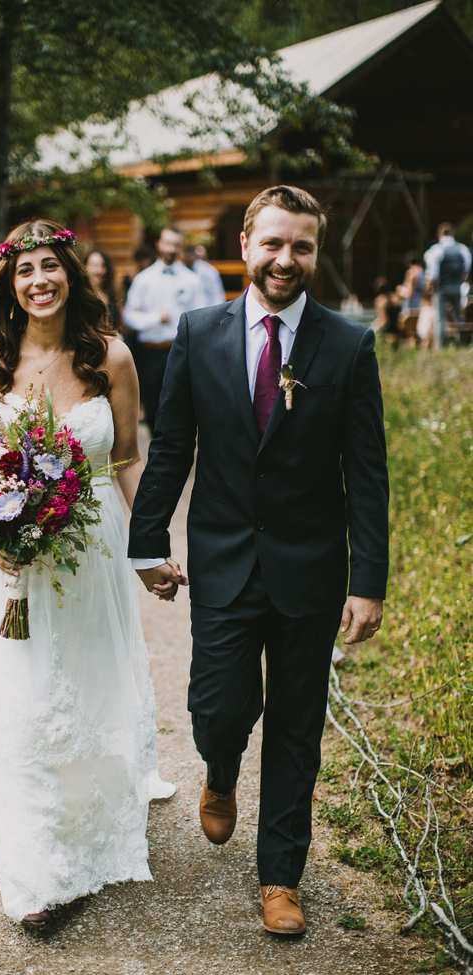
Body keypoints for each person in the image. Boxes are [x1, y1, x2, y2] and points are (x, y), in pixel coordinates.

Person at [129, 186, 389, 936]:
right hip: (224, 557)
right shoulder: (199, 332)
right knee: (217, 708)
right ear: (245, 245)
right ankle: (219, 770)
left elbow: (366, 473)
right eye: (273, 243)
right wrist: (148, 542)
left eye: (301, 246)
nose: (285, 259)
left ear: (316, 252)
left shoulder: (349, 345)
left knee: (297, 727)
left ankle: (280, 875)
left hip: (312, 567)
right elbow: (171, 446)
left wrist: (368, 581)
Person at [0, 218, 175, 927]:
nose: (39, 281)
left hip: (91, 549)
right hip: (14, 557)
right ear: (10, 284)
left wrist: (148, 547)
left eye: (49, 266)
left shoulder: (110, 356)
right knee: (24, 691)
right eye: (24, 270)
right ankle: (36, 873)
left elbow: (127, 460)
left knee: (85, 680)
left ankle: (85, 818)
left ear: (70, 273)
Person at [123, 226, 205, 434]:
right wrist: (155, 318)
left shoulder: (192, 280)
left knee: (181, 404)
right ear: (159, 244)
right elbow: (129, 316)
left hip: (180, 351)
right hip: (150, 351)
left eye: (175, 245)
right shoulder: (143, 280)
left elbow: (201, 315)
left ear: (180, 247)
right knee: (152, 405)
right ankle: (156, 443)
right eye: (167, 243)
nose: (171, 249)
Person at [424, 223, 471, 349]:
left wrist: (429, 289)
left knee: (440, 319)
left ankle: (441, 346)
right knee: (458, 317)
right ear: (453, 233)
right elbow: (466, 271)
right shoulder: (462, 249)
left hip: (441, 288)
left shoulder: (436, 250)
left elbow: (433, 274)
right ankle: (461, 343)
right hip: (457, 287)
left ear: (439, 234)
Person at [83, 248, 122, 330]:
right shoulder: (79, 295)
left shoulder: (112, 294)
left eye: (103, 265)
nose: (99, 270)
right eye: (94, 265)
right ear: (84, 267)